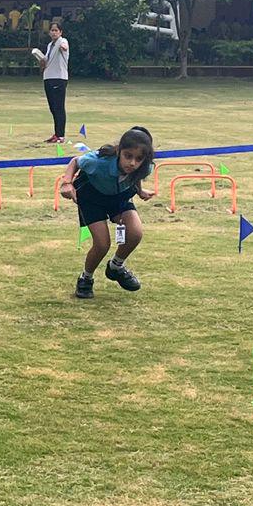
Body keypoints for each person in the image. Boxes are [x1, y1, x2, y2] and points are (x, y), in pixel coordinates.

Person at [57, 125, 154, 299]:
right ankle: (85, 278)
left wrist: (140, 191)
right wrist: (66, 183)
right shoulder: (97, 161)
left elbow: (135, 176)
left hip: (119, 196)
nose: (132, 163)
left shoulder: (144, 167)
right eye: (128, 156)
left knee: (135, 233)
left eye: (138, 159)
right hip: (92, 196)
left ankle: (116, 267)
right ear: (119, 151)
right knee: (102, 244)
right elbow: (75, 162)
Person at [33, 20, 70, 143]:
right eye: (52, 30)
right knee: (53, 107)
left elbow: (64, 48)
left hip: (59, 78)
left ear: (60, 32)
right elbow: (46, 61)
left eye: (56, 30)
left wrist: (63, 47)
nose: (54, 33)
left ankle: (61, 135)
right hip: (48, 77)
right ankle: (56, 134)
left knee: (59, 107)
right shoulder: (50, 45)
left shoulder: (62, 41)